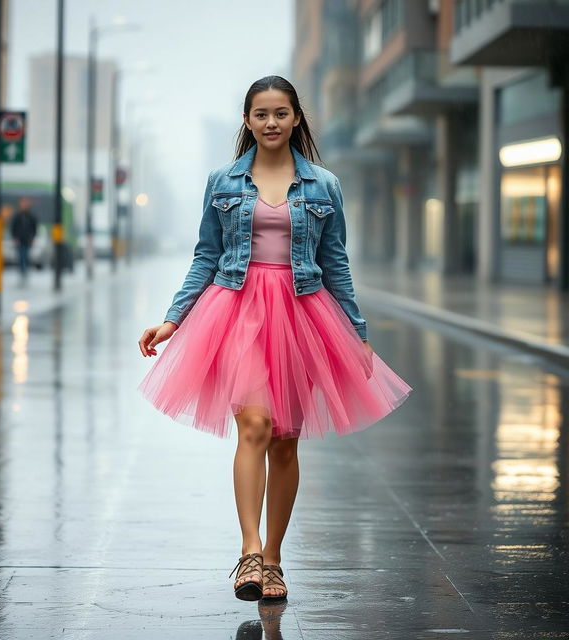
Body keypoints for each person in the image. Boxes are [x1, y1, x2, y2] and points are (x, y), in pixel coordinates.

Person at [137, 76, 413, 603]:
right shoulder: (222, 181)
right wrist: (174, 319)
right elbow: (205, 255)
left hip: (303, 311)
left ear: (296, 120)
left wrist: (356, 334)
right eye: (261, 114)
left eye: (281, 113)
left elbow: (336, 263)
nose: (271, 122)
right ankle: (249, 549)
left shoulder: (323, 185)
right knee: (255, 426)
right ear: (247, 120)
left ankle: (275, 562)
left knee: (285, 439)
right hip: (236, 307)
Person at [10, 197, 39, 282]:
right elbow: (13, 227)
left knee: (26, 256)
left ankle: (25, 271)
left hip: (27, 239)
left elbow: (34, 228)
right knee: (20, 256)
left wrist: (32, 237)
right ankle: (22, 271)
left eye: (26, 203)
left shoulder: (31, 216)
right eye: (23, 203)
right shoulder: (17, 216)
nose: (24, 205)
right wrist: (14, 237)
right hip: (19, 239)